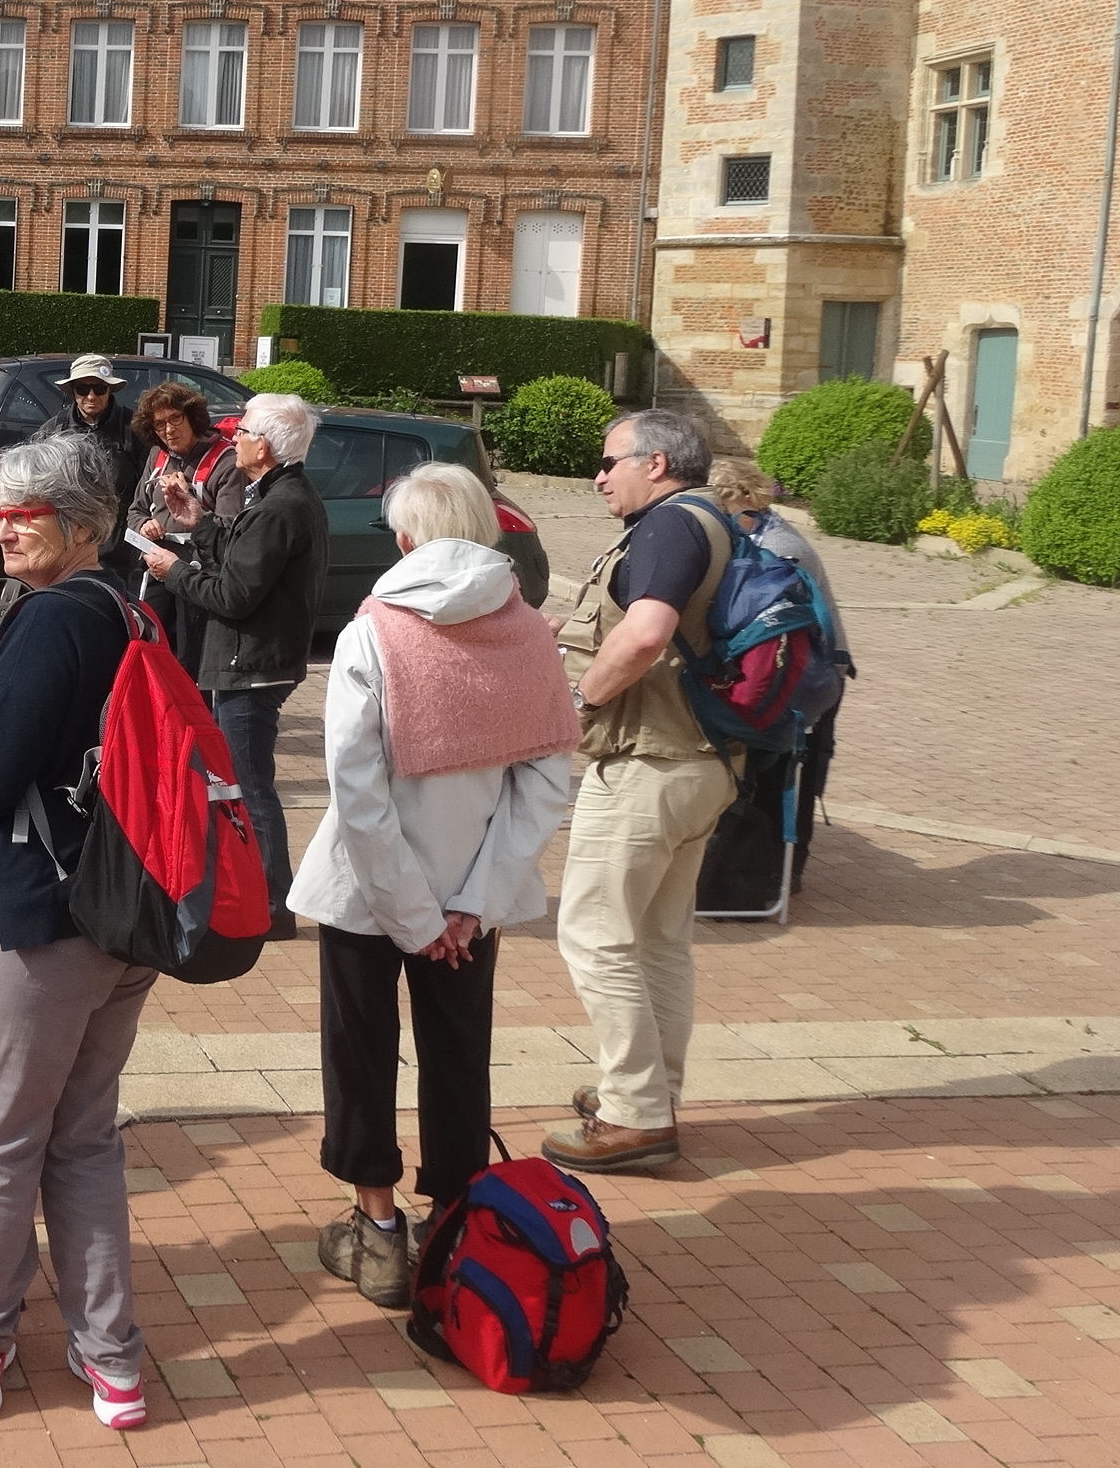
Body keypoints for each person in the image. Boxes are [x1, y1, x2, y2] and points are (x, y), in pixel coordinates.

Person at [290, 463, 576, 1309]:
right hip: (471, 889)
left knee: (359, 1047)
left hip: (367, 889)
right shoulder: (526, 632)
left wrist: (410, 913)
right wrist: (468, 903)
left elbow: (357, 786)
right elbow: (547, 781)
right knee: (459, 1056)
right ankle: (456, 1219)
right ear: (488, 530)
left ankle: (377, 1230)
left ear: (405, 537)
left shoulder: (372, 631)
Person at [0, 433, 153, 1434]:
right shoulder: (131, 605)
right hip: (125, 910)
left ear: (79, 523)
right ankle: (113, 1361)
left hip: (37, 916)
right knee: (85, 1138)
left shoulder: (50, 619)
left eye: (22, 511)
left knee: (4, 1139)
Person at [548, 408, 739, 1174]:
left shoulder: (668, 527)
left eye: (610, 461)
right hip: (703, 761)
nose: (599, 476)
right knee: (657, 940)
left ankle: (634, 1113)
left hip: (649, 763)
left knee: (593, 935)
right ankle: (653, 1094)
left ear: (656, 464)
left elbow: (646, 631)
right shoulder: (717, 522)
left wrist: (579, 704)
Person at [137, 392, 329, 941]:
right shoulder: (275, 496)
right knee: (241, 782)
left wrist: (174, 571)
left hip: (254, 663)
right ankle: (258, 896)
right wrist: (198, 522)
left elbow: (232, 593)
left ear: (263, 446)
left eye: (242, 431)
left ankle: (273, 905)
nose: (235, 438)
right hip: (254, 659)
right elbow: (241, 558)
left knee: (248, 785)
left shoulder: (279, 505)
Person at [705, 459, 853, 895]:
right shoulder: (756, 532)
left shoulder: (780, 547)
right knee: (773, 769)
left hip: (810, 672)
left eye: (719, 502)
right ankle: (762, 872)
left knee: (783, 768)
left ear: (742, 499)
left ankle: (775, 874)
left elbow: (768, 623)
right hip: (798, 666)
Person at [126, 384, 247, 672]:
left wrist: (192, 499)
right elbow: (134, 512)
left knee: (190, 663)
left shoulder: (225, 461)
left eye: (175, 419)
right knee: (152, 655)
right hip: (157, 574)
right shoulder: (157, 456)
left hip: (199, 578)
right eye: (159, 424)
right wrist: (145, 526)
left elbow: (229, 531)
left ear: (192, 416)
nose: (168, 430)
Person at [36, 356, 145, 564]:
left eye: (99, 388)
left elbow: (150, 485)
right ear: (73, 391)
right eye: (83, 389)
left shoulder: (134, 429)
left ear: (110, 390)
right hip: (69, 543)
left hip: (121, 547)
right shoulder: (53, 431)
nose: (91, 396)